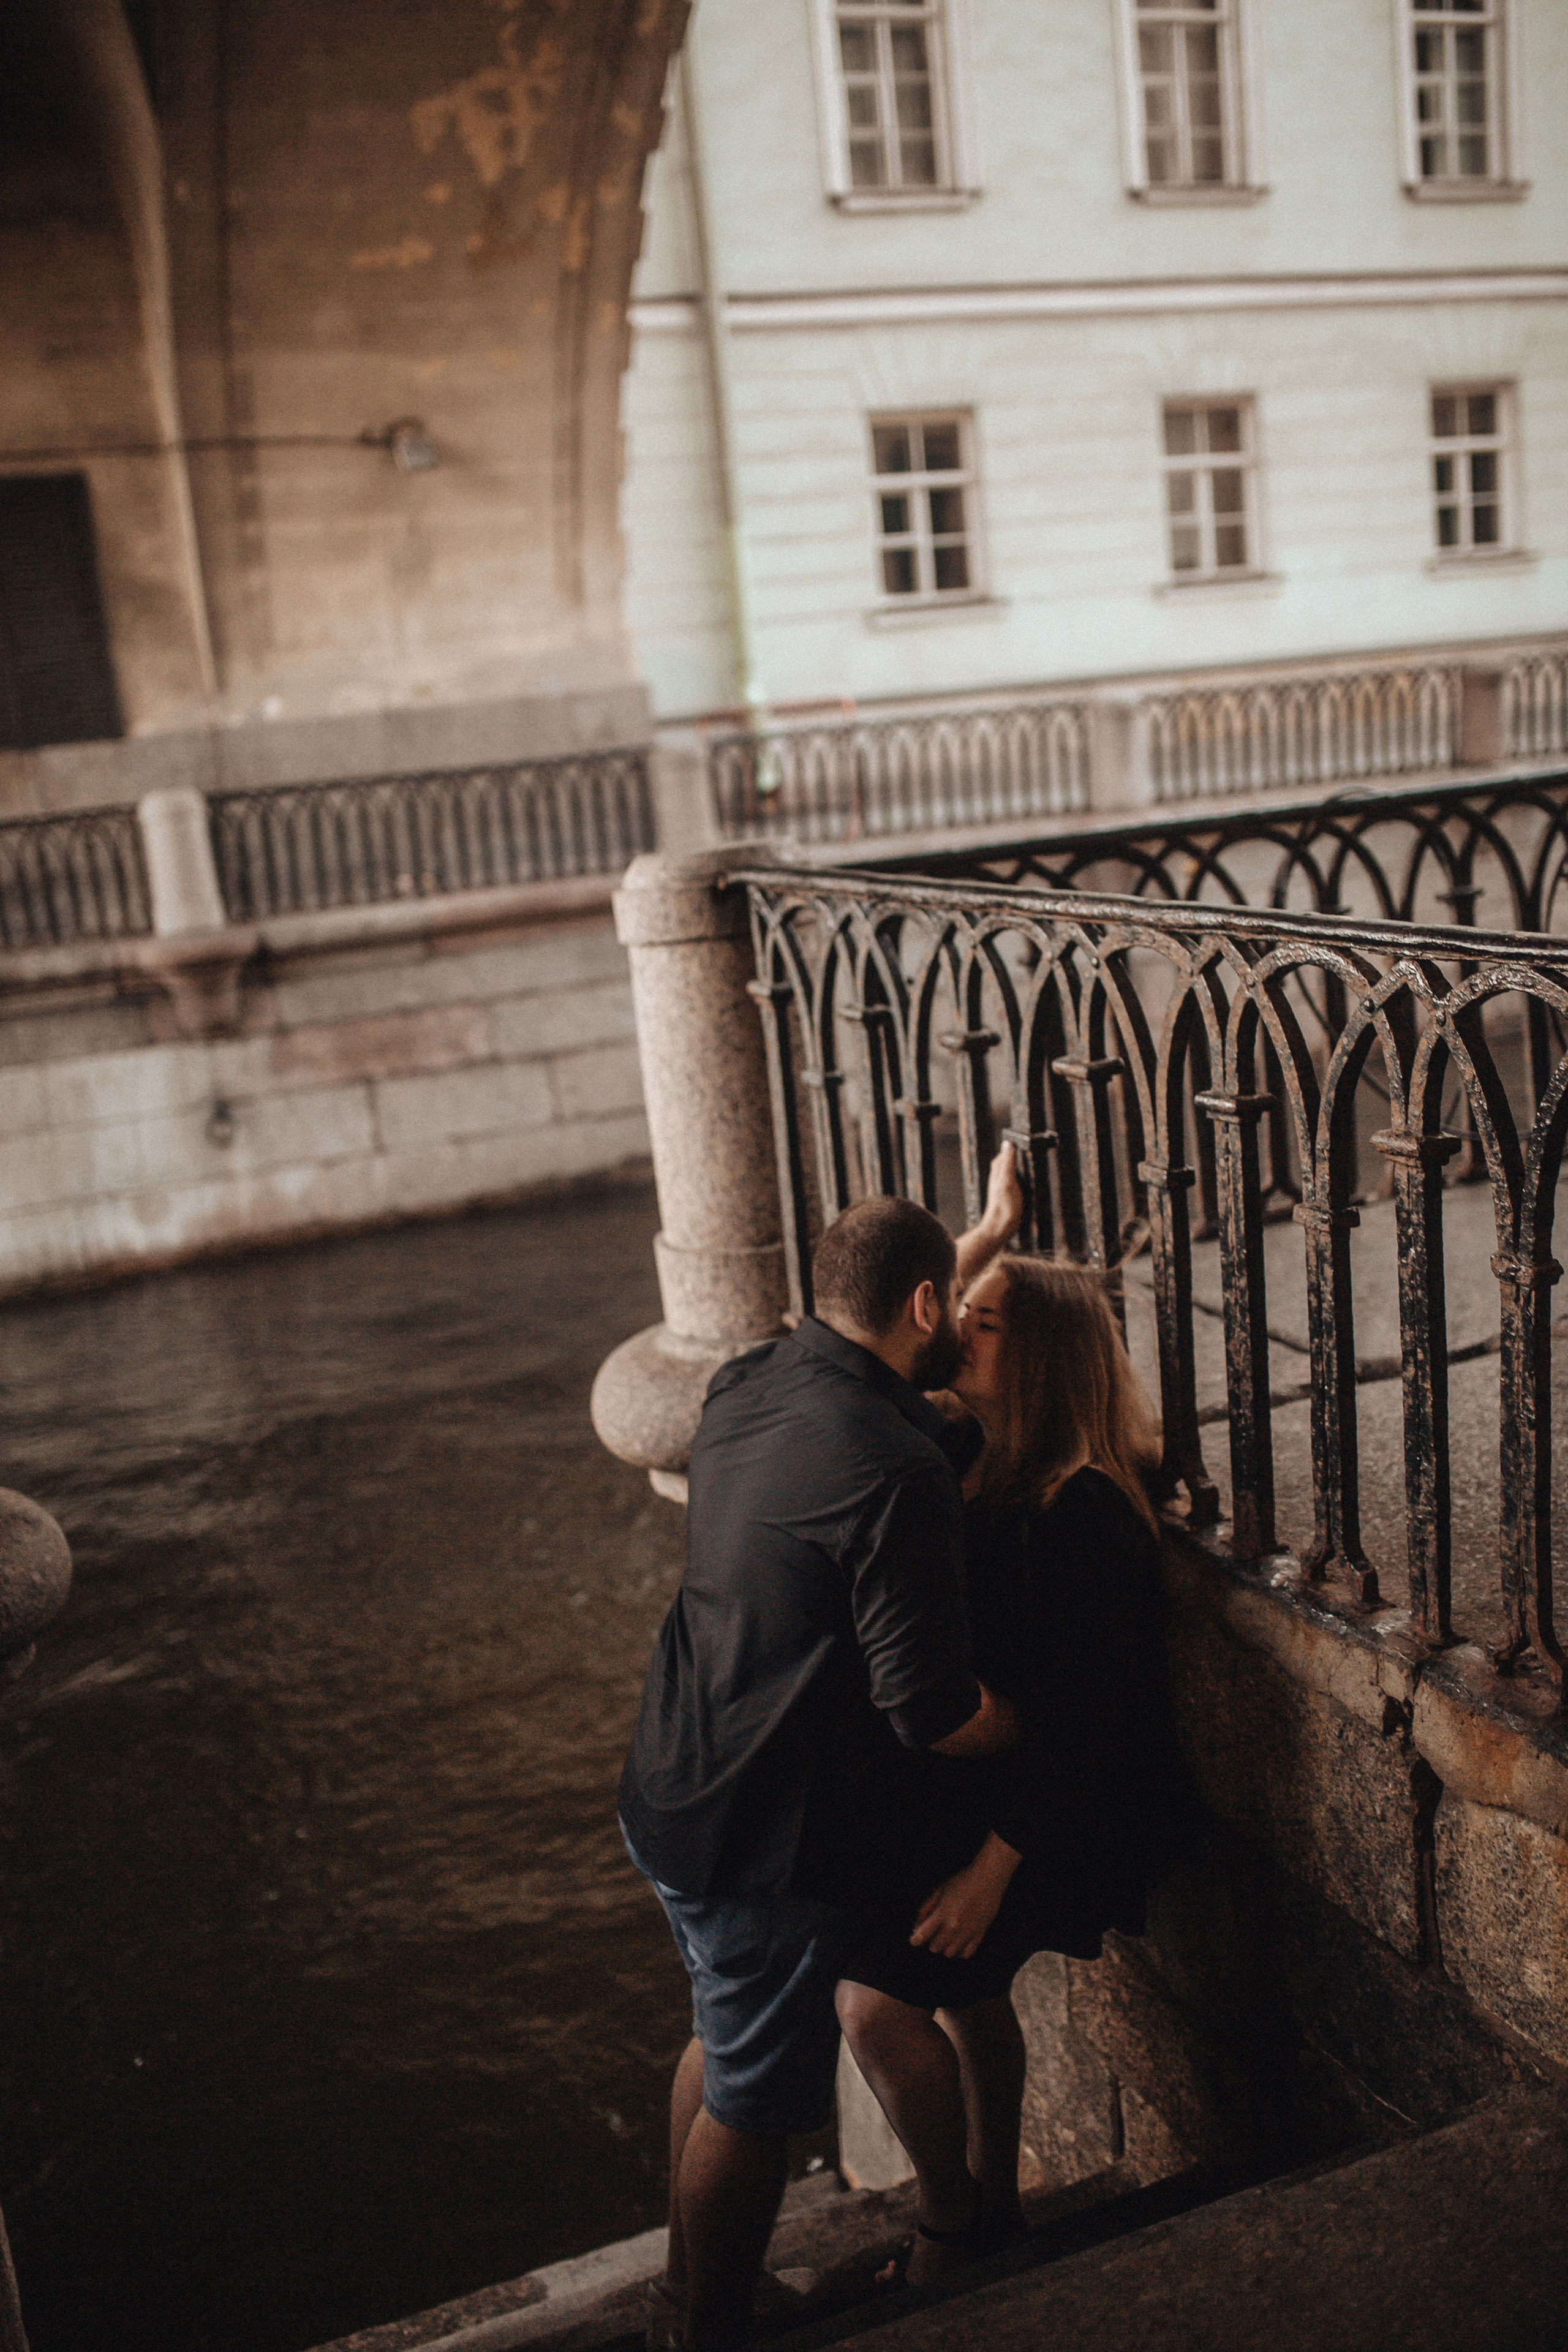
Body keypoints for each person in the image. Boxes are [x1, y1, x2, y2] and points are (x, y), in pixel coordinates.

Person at [618, 1183, 1020, 2352]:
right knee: (752, 2100)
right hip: (760, 1832)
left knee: (718, 2034)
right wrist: (1038, 1731)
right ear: (927, 1303)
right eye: (959, 1297)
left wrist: (970, 1245)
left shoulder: (750, 1378)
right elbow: (930, 1711)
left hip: (669, 1782)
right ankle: (711, 2325)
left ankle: (689, 2292)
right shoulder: (900, 1471)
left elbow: (877, 1359)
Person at [835, 1231, 1175, 2283]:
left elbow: (1089, 1732)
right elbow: (868, 1335)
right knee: (970, 2001)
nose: (954, 1334)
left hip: (1057, 1817)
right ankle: (1001, 2210)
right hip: (985, 1784)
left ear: (1041, 1358)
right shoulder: (962, 1449)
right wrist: (978, 1234)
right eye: (961, 1312)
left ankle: (949, 2229)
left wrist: (991, 1872)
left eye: (981, 1325)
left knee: (873, 2005)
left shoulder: (1085, 1512)